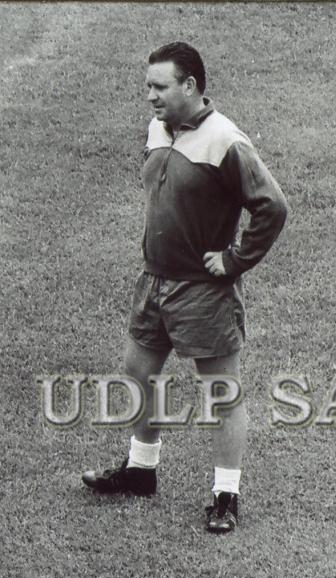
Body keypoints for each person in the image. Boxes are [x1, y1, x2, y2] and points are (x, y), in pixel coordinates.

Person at [82, 41, 288, 533]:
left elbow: (272, 206)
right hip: (153, 280)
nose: (150, 96)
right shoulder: (158, 128)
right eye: (147, 86)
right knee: (138, 373)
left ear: (190, 86)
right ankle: (141, 469)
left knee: (221, 392)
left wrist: (234, 259)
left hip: (202, 290)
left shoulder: (225, 141)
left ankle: (225, 496)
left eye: (160, 87)